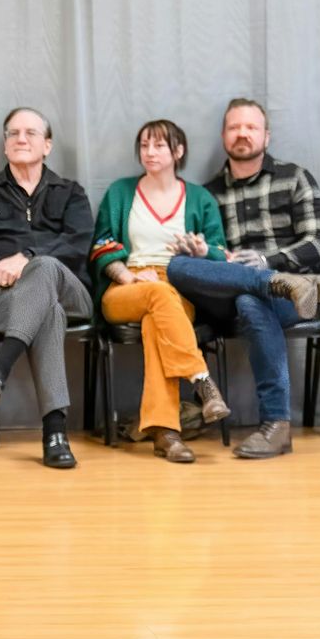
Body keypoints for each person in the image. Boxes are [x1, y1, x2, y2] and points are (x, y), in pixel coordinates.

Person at [165, 98, 320, 459]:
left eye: (251, 127)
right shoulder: (207, 193)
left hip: (295, 295)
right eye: (234, 127)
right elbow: (212, 257)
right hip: (229, 294)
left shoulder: (294, 177)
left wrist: (268, 261)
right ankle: (265, 281)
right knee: (176, 267)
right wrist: (203, 253)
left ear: (266, 136)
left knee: (251, 301)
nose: (242, 133)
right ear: (224, 136)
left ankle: (276, 425)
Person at [0, 108, 93, 469]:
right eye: (13, 133)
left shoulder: (71, 193)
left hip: (72, 293)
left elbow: (77, 245)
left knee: (45, 267)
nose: (21, 139)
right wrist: (10, 274)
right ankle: (55, 434)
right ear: (4, 145)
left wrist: (26, 259)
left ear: (47, 145)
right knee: (47, 309)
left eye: (31, 133)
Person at [90, 119, 231, 464]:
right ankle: (202, 381)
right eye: (144, 145)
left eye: (158, 145)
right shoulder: (120, 192)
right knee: (158, 296)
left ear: (178, 151)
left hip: (179, 285)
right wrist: (127, 276)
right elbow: (101, 245)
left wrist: (201, 251)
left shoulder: (200, 198)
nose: (149, 152)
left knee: (158, 320)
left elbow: (220, 253)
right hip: (126, 286)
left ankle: (165, 433)